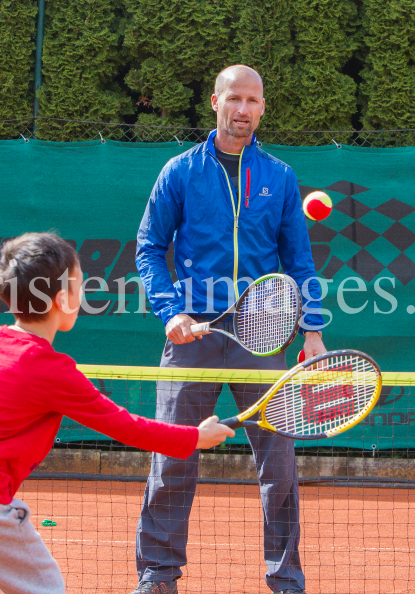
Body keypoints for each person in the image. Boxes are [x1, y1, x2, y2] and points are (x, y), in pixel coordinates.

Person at [0, 232, 235, 594]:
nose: (82, 294)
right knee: (45, 588)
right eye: (80, 285)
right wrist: (195, 438)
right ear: (62, 299)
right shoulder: (52, 369)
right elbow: (124, 426)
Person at [133, 65, 327, 594]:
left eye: (253, 101)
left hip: (265, 336)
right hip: (193, 331)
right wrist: (170, 312)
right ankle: (157, 575)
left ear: (263, 107)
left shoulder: (280, 177)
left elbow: (299, 261)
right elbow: (149, 247)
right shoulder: (179, 171)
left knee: (279, 467)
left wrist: (310, 329)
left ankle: (285, 579)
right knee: (173, 455)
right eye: (234, 99)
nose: (243, 110)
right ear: (215, 102)